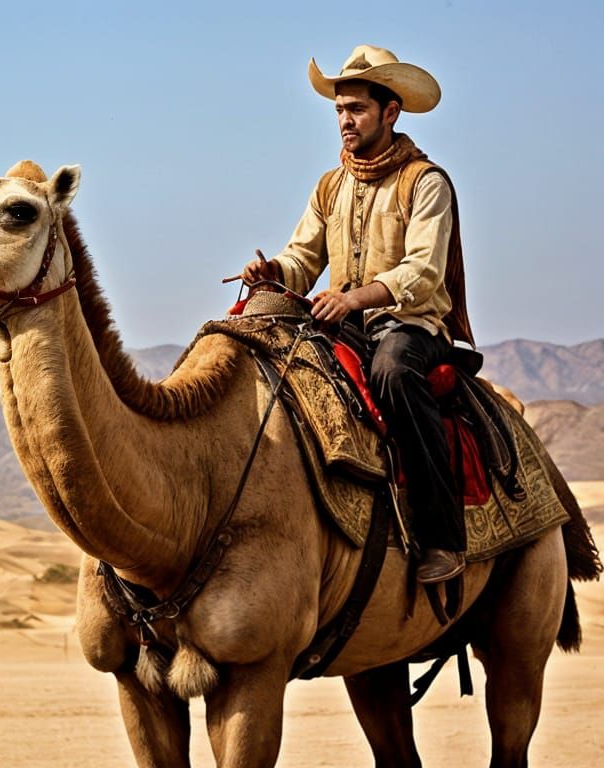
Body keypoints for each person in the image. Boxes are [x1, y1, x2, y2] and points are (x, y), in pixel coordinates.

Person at [243, 45, 476, 584]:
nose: (345, 121)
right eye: (340, 110)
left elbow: (423, 273)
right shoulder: (330, 184)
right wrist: (272, 272)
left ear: (390, 112)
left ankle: (443, 535)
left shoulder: (426, 182)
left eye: (357, 110)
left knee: (392, 372)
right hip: (340, 321)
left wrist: (354, 298)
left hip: (412, 326)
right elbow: (303, 258)